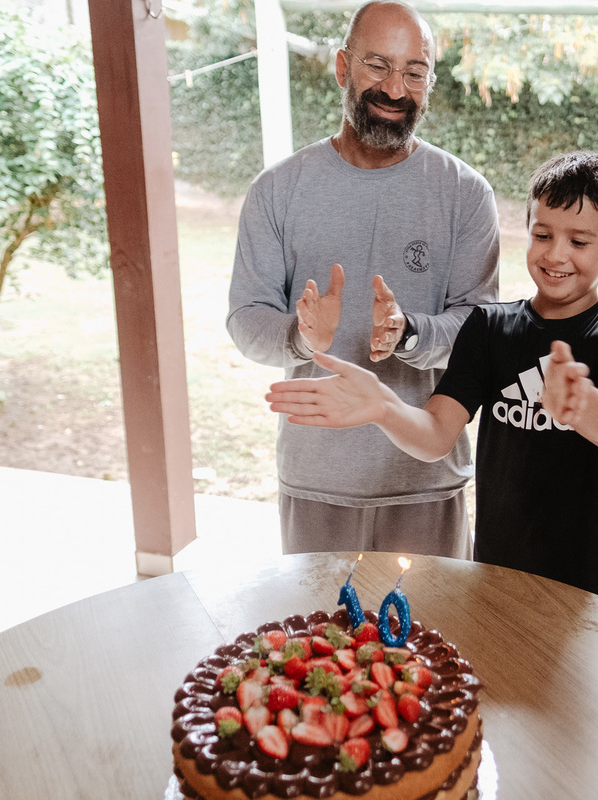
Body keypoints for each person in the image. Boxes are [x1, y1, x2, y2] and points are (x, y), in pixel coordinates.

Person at [267, 152, 598, 606]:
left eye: (579, 242)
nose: (555, 254)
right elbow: (435, 436)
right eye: (542, 234)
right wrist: (384, 407)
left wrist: (582, 403)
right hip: (496, 570)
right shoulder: (489, 328)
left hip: (593, 579)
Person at [227, 0, 499, 558]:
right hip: (317, 481)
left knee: (430, 644)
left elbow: (480, 328)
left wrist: (412, 334)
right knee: (321, 643)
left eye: (414, 72)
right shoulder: (277, 190)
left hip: (426, 481)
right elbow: (246, 319)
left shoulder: (466, 194)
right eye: (378, 66)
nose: (396, 90)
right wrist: (301, 337)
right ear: (342, 67)